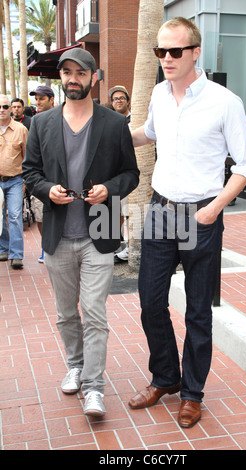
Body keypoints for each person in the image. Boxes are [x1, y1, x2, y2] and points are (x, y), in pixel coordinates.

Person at [128, 17, 246, 428]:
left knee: (198, 312)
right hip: (161, 211)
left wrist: (214, 208)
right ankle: (165, 377)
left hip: (202, 215)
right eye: (160, 51)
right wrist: (102, 130)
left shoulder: (225, 102)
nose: (165, 58)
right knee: (150, 303)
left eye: (174, 51)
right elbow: (147, 134)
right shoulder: (158, 95)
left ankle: (192, 393)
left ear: (195, 52)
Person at [22, 48, 139, 417]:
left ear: (94, 77)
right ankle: (74, 365)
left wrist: (109, 188)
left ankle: (94, 387)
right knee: (65, 313)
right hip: (58, 233)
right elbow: (30, 172)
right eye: (66, 72)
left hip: (99, 232)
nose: (73, 78)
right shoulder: (41, 123)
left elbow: (131, 174)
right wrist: (46, 190)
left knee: (94, 312)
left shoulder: (113, 124)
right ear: (62, 78)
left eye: (80, 72)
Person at [0, 95, 28, 269]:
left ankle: (16, 255)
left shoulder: (21, 129)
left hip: (15, 180)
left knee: (16, 216)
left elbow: (28, 156)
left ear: (10, 108)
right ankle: (3, 249)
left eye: (4, 106)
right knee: (0, 217)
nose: (1, 109)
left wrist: (26, 181)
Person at [29, 85, 55, 262]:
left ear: (51, 99)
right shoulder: (35, 121)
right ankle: (45, 245)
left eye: (42, 98)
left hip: (58, 179)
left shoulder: (61, 118)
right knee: (39, 214)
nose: (38, 102)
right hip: (40, 179)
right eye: (36, 99)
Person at [109, 85, 131, 261]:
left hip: (131, 175)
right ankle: (118, 243)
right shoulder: (111, 122)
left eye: (121, 98)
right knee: (116, 211)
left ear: (128, 100)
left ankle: (131, 247)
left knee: (129, 211)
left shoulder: (135, 119)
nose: (118, 101)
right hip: (114, 176)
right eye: (115, 99)